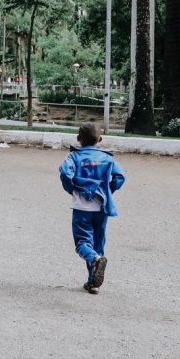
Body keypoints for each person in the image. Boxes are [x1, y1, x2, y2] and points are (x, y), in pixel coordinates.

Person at [59, 122, 126, 295]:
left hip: (82, 207)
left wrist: (72, 189)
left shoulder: (74, 157)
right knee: (98, 243)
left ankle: (95, 260)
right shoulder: (107, 158)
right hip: (102, 206)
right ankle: (93, 283)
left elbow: (65, 173)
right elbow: (120, 177)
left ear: (79, 138)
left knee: (83, 243)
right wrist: (107, 190)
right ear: (100, 139)